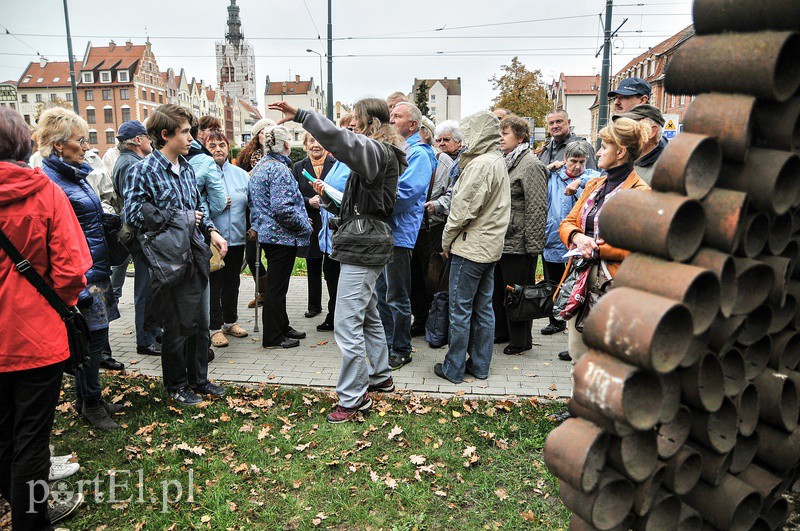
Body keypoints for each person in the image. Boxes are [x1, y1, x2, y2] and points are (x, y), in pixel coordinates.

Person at [268, 98, 407, 423]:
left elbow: (340, 141)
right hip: (366, 241)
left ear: (370, 122)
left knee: (346, 324)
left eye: (356, 121)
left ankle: (354, 398)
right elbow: (364, 204)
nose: (352, 126)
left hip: (363, 246)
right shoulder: (381, 153)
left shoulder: (374, 152)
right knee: (369, 314)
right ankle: (380, 376)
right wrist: (335, 208)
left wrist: (303, 115)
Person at [0, 108, 89, 530]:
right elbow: (72, 270)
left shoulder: (46, 188)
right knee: (31, 440)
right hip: (36, 337)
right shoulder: (43, 191)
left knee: (3, 436)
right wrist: (63, 304)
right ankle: (32, 520)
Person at [124, 104, 228, 406]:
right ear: (165, 134)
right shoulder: (142, 170)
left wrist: (212, 231)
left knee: (198, 322)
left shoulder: (188, 168)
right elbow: (133, 214)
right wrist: (180, 217)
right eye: (185, 132)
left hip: (195, 252)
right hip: (167, 258)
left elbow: (199, 209)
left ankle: (199, 379)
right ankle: (177, 385)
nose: (191, 138)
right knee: (177, 324)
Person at [38, 107, 123, 430]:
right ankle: (90, 403)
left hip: (95, 267)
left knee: (96, 339)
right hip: (81, 275)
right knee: (91, 342)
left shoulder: (75, 173)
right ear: (59, 144)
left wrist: (105, 220)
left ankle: (90, 397)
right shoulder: (51, 182)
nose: (86, 146)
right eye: (80, 140)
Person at [557, 117, 651, 364]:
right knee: (578, 356)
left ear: (620, 152)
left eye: (604, 147)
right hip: (582, 282)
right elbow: (568, 222)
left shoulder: (640, 193)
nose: (597, 152)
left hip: (614, 287)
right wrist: (577, 237)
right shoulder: (595, 185)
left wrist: (597, 249)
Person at [434, 111, 511, 384]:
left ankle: (453, 368)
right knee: (483, 309)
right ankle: (480, 366)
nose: (464, 141)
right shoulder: (496, 160)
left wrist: (445, 241)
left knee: (460, 310)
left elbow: (462, 210)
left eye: (468, 134)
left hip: (470, 249)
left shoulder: (480, 164)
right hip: (488, 248)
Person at [383, 102, 436, 370]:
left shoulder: (420, 155)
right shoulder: (398, 149)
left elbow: (404, 194)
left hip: (399, 234)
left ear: (413, 124)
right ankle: (386, 342)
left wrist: (375, 203)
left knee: (396, 295)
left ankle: (401, 348)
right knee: (382, 294)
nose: (390, 119)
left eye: (397, 116)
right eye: (390, 115)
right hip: (383, 233)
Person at [248, 124, 312, 349]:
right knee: (277, 288)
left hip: (269, 235)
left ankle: (282, 326)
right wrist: (304, 224)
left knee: (279, 286)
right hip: (282, 237)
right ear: (286, 145)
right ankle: (273, 337)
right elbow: (282, 208)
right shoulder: (278, 169)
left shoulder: (260, 167)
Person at [493, 115, 548, 355]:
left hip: (520, 242)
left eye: (505, 134)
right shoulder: (509, 161)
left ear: (520, 136)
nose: (500, 138)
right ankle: (504, 333)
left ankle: (521, 341)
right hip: (504, 239)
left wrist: (534, 248)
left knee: (519, 293)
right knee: (503, 291)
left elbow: (537, 207)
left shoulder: (531, 164)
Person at [542, 142, 601, 361]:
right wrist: (549, 167)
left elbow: (596, 178)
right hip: (553, 236)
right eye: (572, 161)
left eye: (581, 162)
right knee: (554, 283)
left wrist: (579, 181)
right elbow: (539, 174)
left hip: (575, 243)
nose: (576, 166)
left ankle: (571, 328)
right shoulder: (555, 177)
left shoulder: (590, 177)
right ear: (565, 159)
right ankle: (554, 320)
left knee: (573, 285)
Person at [110, 120, 161, 360]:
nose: (151, 141)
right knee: (144, 288)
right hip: (141, 236)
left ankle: (153, 332)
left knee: (149, 287)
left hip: (139, 235)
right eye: (147, 137)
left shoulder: (128, 162)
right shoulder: (132, 165)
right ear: (138, 140)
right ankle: (146, 340)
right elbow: (137, 206)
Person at [206, 130, 250, 349]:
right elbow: (199, 205)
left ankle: (230, 321)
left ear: (228, 147)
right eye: (212, 145)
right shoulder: (203, 173)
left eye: (221, 144)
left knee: (233, 282)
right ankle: (214, 328)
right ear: (206, 149)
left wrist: (253, 228)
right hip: (213, 239)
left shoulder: (241, 174)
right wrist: (219, 204)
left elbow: (251, 204)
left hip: (237, 238)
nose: (217, 149)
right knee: (215, 284)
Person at [410, 117, 454, 336]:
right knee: (414, 276)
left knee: (433, 276)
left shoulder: (442, 160)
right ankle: (419, 319)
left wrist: (437, 205)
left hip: (433, 228)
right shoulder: (406, 155)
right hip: (409, 228)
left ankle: (436, 322)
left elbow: (453, 192)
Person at [314, 114, 354, 333]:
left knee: (341, 280)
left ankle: (340, 319)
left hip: (344, 234)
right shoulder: (338, 161)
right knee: (331, 276)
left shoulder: (354, 161)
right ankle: (333, 314)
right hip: (329, 235)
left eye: (349, 129)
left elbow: (350, 197)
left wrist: (327, 192)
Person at [293, 133, 336, 319]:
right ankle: (313, 305)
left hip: (332, 222)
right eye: (311, 141)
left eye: (319, 141)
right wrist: (308, 201)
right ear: (305, 145)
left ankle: (334, 306)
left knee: (333, 266)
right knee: (312, 264)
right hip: (310, 221)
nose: (316, 145)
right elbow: (292, 195)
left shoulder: (335, 165)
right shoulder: (298, 167)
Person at [237, 118, 275, 308]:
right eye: (262, 131)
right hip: (250, 213)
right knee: (252, 256)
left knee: (271, 254)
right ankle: (263, 291)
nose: (264, 135)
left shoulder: (277, 156)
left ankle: (273, 294)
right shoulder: (245, 158)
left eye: (268, 131)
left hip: (270, 213)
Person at [612, 104, 666, 185]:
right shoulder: (622, 158)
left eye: (631, 127)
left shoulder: (666, 171)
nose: (624, 132)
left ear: (651, 131)